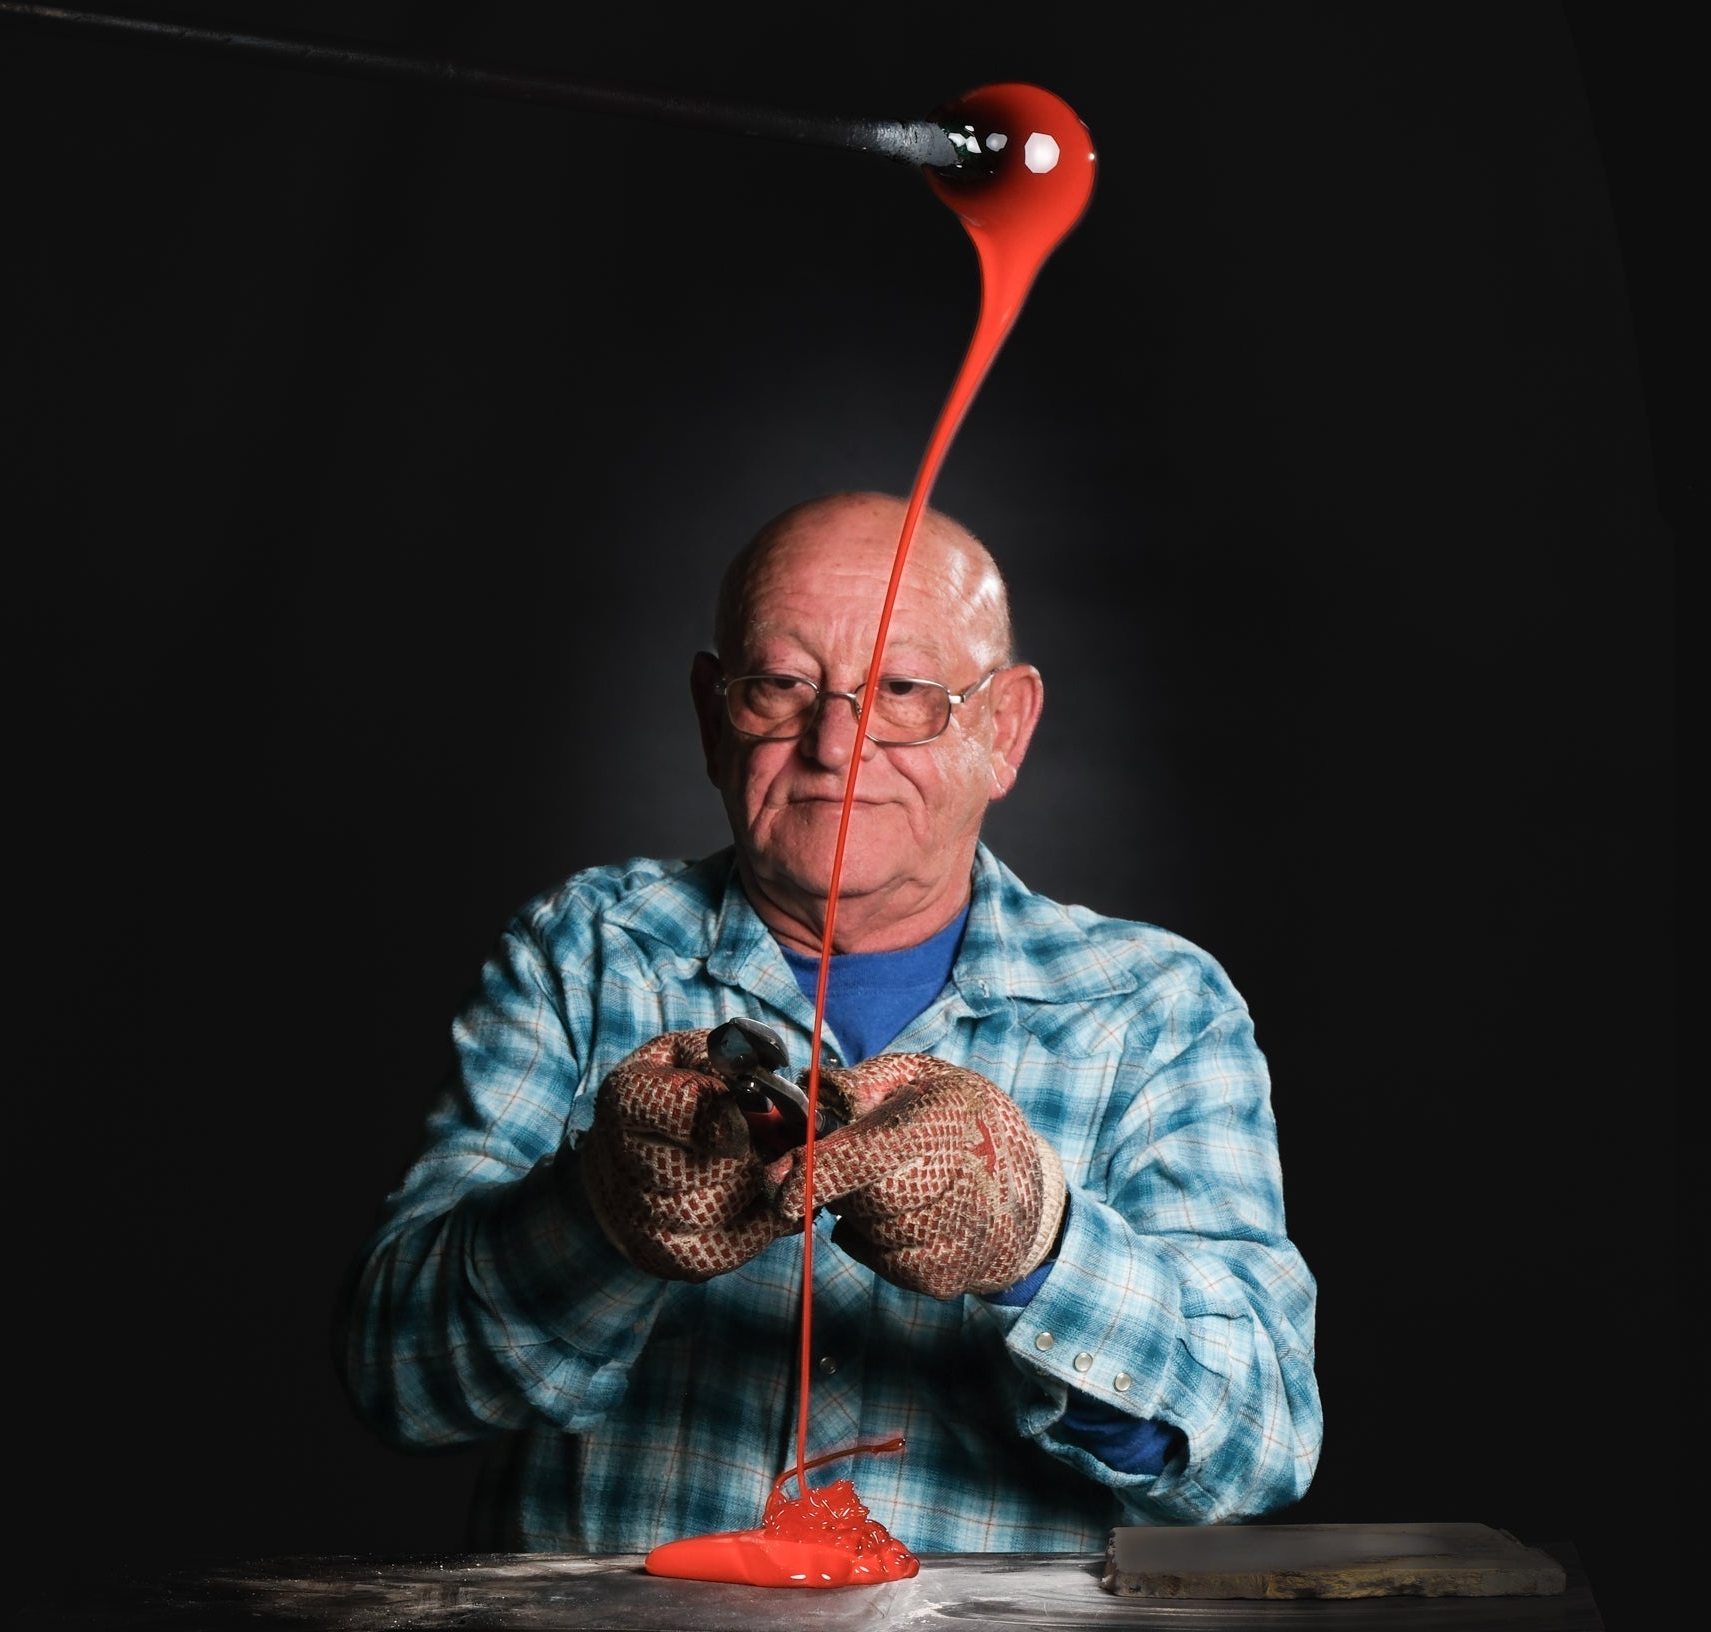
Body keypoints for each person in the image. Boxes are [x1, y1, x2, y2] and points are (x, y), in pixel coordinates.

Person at [337, 490, 1322, 1554]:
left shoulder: (1155, 1009)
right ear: (715, 718)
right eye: (779, 687)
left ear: (1005, 727)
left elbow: (1258, 1451)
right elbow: (398, 1381)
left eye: (902, 691)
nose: (837, 745)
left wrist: (1042, 1248)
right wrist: (594, 1218)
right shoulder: (584, 950)